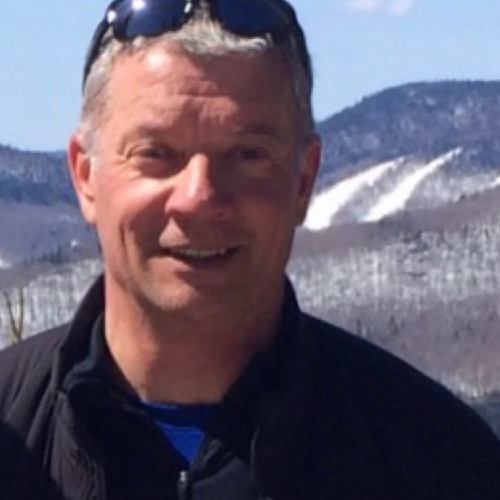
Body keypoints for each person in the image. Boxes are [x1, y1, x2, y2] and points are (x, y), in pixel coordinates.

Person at [0, 0, 499, 498]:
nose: (199, 197)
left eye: (247, 155)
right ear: (86, 176)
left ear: (303, 181)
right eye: (157, 153)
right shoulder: (13, 441)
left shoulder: (438, 460)